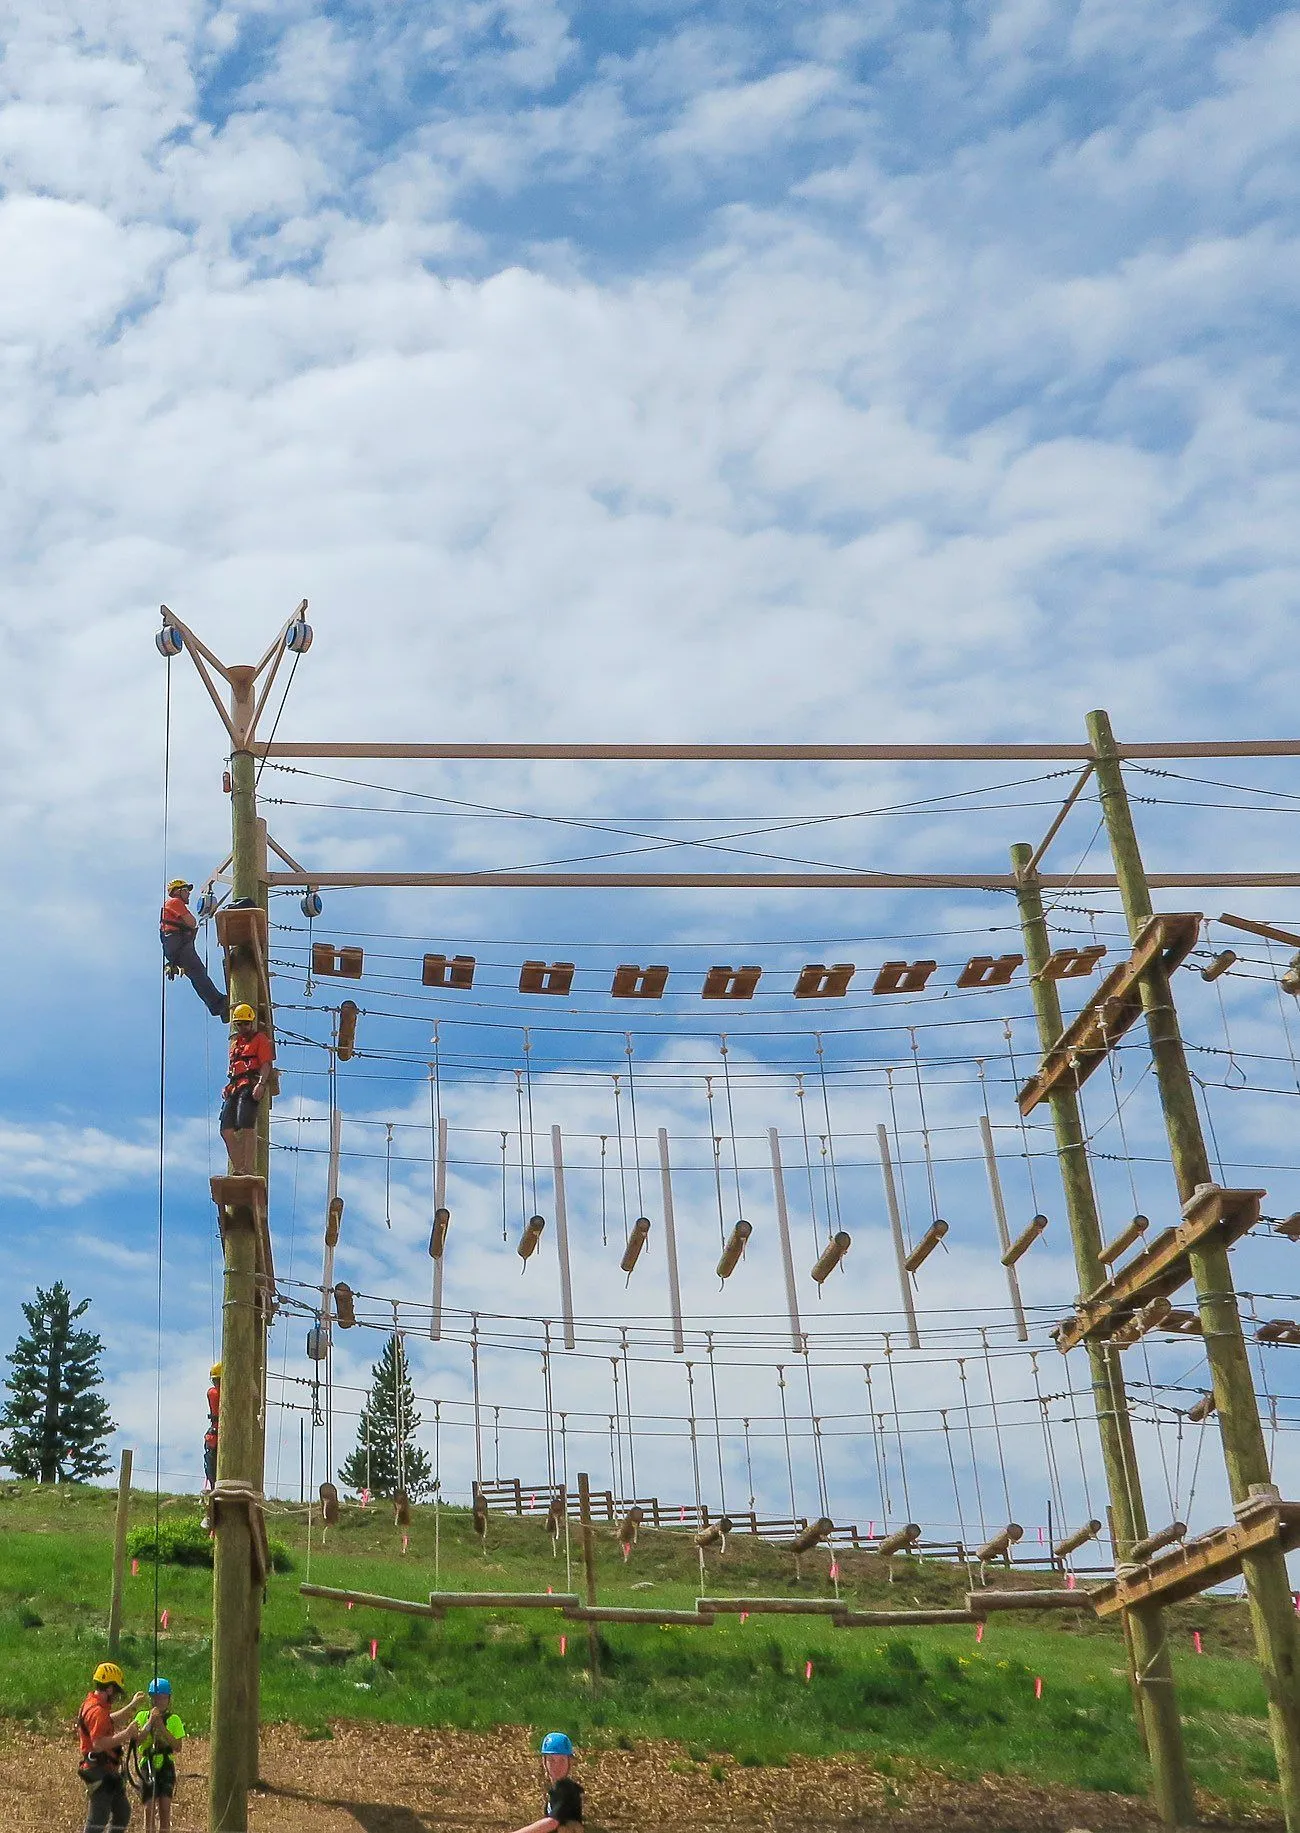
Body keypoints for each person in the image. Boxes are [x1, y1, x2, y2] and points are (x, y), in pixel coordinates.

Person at [77, 1662, 146, 1832]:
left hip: (108, 1771)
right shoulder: (97, 1711)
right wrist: (127, 1734)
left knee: (122, 1813)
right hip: (99, 1771)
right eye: (116, 1691)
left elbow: (108, 1720)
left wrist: (131, 1706)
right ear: (109, 1689)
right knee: (98, 1821)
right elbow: (98, 1744)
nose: (115, 1696)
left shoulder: (94, 1704)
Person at [159, 880, 228, 1020]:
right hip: (178, 944)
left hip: (175, 946)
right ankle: (219, 1004)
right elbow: (191, 922)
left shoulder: (172, 905)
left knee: (197, 976)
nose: (188, 894)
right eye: (186, 890)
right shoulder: (174, 902)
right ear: (177, 891)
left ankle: (218, 1007)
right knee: (198, 973)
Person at [220, 1004, 273, 1175]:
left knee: (246, 1125)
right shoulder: (235, 1044)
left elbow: (266, 1064)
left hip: (249, 1085)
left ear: (251, 1022)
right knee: (226, 1130)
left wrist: (261, 1084)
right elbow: (233, 1069)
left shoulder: (260, 1039)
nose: (243, 1027)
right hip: (234, 1087)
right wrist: (227, 1087)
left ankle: (248, 1168)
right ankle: (239, 1167)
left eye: (246, 1023)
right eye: (239, 1024)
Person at [134, 1678, 185, 1833]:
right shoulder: (142, 1716)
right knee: (148, 1808)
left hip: (166, 1765)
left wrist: (162, 1728)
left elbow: (177, 1746)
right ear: (151, 1699)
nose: (160, 1701)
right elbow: (137, 1741)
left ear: (168, 1699)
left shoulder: (174, 1720)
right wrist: (150, 1723)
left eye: (163, 1698)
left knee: (165, 1807)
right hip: (147, 1764)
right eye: (157, 1698)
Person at [510, 1732, 583, 1833]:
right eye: (551, 1760)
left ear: (569, 1762)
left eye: (562, 1760)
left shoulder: (566, 1789)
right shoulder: (556, 1790)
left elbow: (551, 1823)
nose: (556, 1766)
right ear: (544, 1762)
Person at [204, 1364, 221, 1489]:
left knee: (211, 1463)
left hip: (216, 1434)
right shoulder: (214, 1393)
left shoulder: (212, 1392)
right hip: (217, 1434)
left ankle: (214, 1486)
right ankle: (214, 1487)